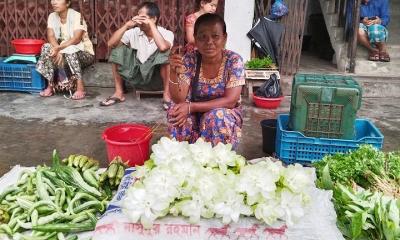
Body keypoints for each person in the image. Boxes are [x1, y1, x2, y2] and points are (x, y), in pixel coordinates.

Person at [168, 13, 245, 150]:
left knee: (217, 118)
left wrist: (192, 107)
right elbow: (179, 98)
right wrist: (173, 72)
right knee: (176, 111)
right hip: (193, 113)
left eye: (215, 36)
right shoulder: (190, 59)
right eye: (203, 37)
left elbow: (230, 100)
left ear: (224, 38)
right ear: (195, 40)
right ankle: (184, 161)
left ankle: (218, 161)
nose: (209, 42)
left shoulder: (233, 60)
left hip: (223, 113)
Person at [100, 2, 174, 108]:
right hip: (137, 78)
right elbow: (110, 44)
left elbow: (163, 47)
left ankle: (167, 96)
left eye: (143, 17)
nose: (139, 20)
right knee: (117, 50)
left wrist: (151, 25)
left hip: (157, 80)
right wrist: (126, 26)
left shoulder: (167, 33)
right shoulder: (134, 32)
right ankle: (118, 93)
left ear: (154, 19)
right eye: (138, 16)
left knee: (165, 52)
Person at [36, 0, 95, 100]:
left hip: (83, 53)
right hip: (61, 53)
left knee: (70, 49)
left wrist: (59, 48)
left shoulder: (77, 16)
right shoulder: (52, 16)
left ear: (67, 3)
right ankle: (50, 86)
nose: (54, 2)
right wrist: (57, 49)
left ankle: (80, 87)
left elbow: (76, 39)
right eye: (53, 0)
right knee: (46, 47)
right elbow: (51, 36)